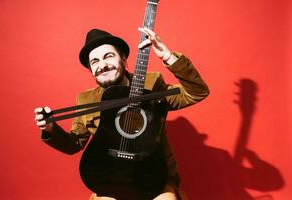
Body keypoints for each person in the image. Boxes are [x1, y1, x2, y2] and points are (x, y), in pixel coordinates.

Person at [34, 27, 209, 200]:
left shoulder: (152, 84)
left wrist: (168, 57)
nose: (102, 65)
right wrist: (50, 129)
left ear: (124, 59)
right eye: (94, 61)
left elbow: (196, 92)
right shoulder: (86, 100)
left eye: (108, 56)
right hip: (109, 180)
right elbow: (73, 144)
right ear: (91, 70)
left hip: (153, 177)